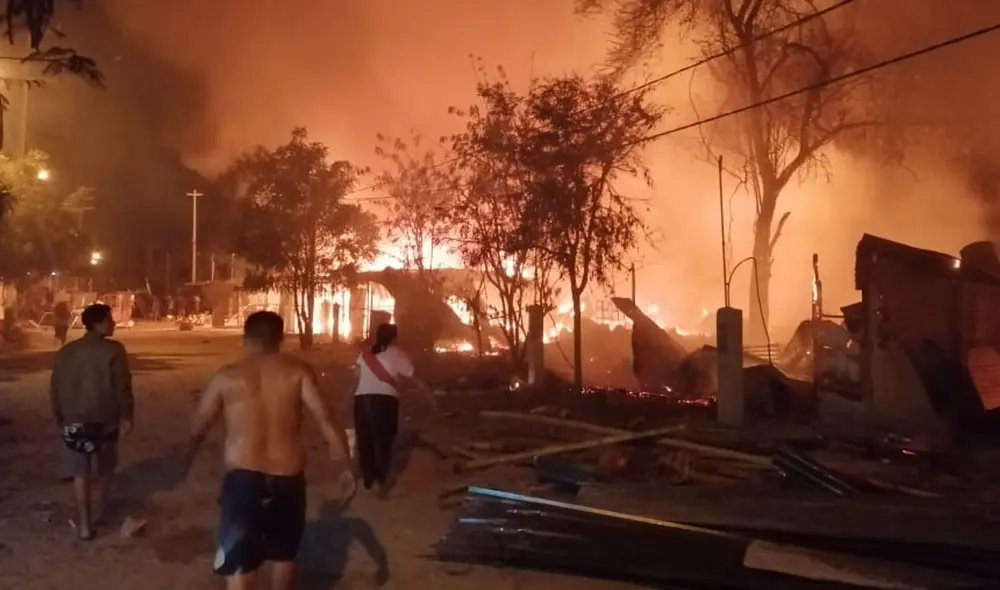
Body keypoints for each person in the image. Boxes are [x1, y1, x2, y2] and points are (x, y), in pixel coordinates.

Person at [186, 310, 355, 590]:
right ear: (281, 338)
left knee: (240, 558)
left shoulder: (227, 376)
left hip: (243, 478)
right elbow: (326, 419)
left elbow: (198, 428)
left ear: (246, 338)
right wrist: (345, 464)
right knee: (283, 554)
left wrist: (186, 458)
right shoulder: (297, 372)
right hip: (286, 476)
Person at [49, 303, 133, 540]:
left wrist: (59, 417)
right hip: (104, 418)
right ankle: (103, 511)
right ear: (98, 323)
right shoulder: (114, 350)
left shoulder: (66, 352)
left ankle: (85, 526)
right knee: (106, 468)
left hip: (74, 420)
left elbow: (55, 387)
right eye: (110, 319)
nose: (114, 323)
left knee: (80, 473)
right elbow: (122, 386)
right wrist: (127, 415)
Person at [352, 322, 422, 497]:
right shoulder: (397, 354)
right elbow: (412, 376)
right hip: (385, 401)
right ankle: (381, 483)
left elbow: (356, 378)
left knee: (364, 440)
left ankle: (369, 479)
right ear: (395, 337)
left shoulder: (365, 354)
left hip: (361, 400)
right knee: (384, 441)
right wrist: (428, 395)